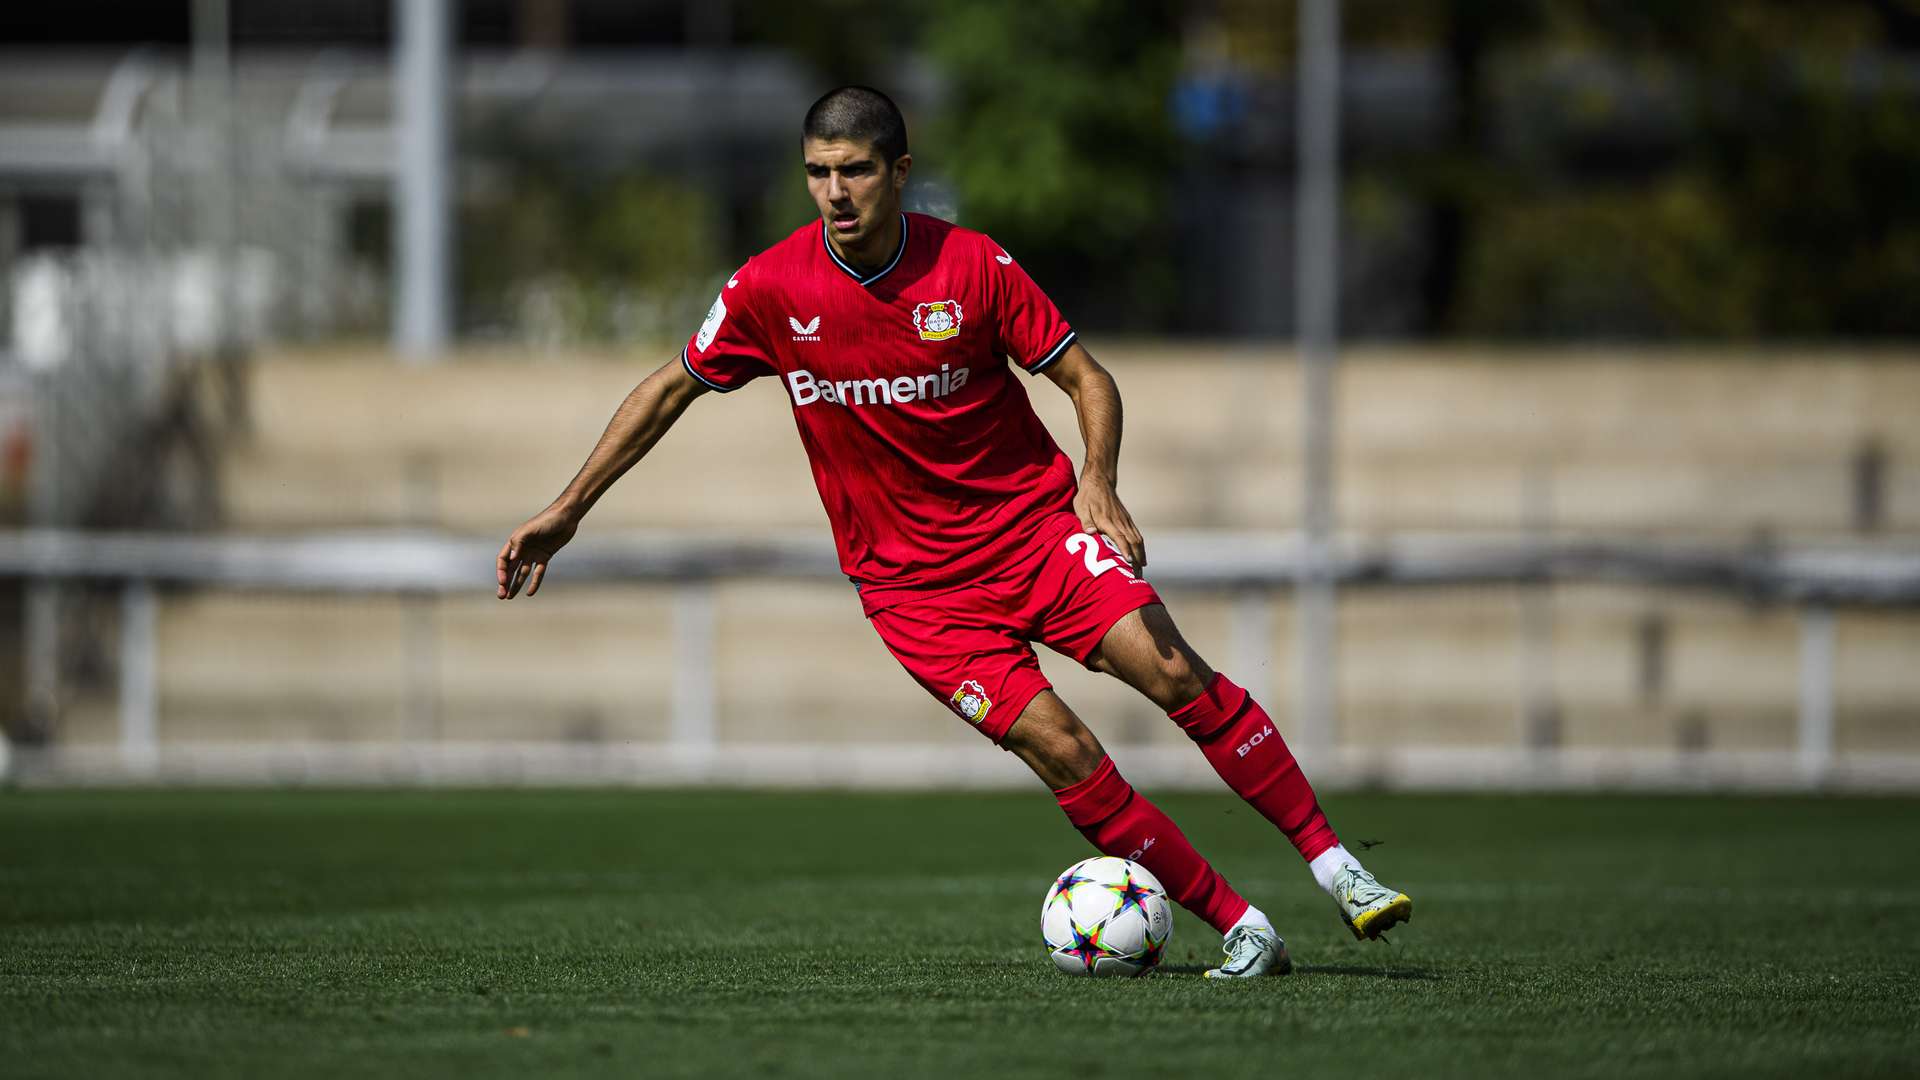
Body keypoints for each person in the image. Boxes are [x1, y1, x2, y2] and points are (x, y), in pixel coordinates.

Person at [496, 86, 1411, 977]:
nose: (834, 193)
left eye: (854, 171)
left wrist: (1097, 480)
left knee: (1171, 669)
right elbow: (668, 388)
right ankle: (1242, 927)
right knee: (1066, 751)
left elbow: (1088, 378)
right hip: (915, 596)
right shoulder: (770, 288)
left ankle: (1339, 867)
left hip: (1034, 533)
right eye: (817, 173)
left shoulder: (972, 266)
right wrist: (568, 507)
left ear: (899, 171)